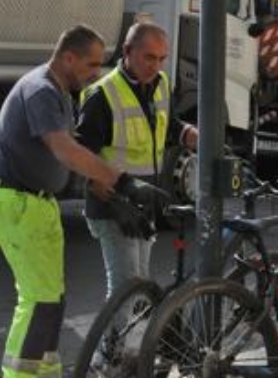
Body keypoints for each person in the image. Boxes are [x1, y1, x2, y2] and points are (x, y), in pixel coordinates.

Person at [0, 24, 123, 378]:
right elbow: (62, 148)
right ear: (68, 58)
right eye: (91, 64)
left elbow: (69, 156)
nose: (96, 73)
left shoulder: (60, 91)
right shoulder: (42, 90)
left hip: (38, 204)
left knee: (52, 299)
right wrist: (117, 178)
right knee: (39, 300)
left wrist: (102, 182)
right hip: (18, 203)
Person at [76, 21, 198, 300]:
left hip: (144, 202)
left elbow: (167, 126)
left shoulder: (161, 84)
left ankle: (137, 341)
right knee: (125, 287)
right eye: (149, 57)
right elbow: (81, 156)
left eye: (162, 59)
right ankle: (110, 346)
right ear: (127, 51)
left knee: (139, 284)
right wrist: (115, 204)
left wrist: (194, 136)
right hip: (113, 206)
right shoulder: (102, 94)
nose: (156, 66)